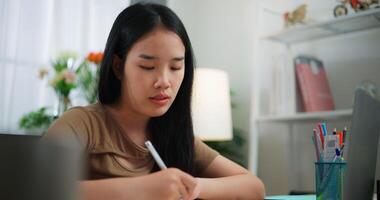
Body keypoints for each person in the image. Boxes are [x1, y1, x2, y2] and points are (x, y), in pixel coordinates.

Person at [45, 3, 265, 200]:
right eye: (148, 67)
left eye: (176, 67)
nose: (164, 82)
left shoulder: (176, 134)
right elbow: (30, 188)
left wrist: (190, 186)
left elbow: (253, 187)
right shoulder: (83, 124)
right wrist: (142, 189)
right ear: (118, 67)